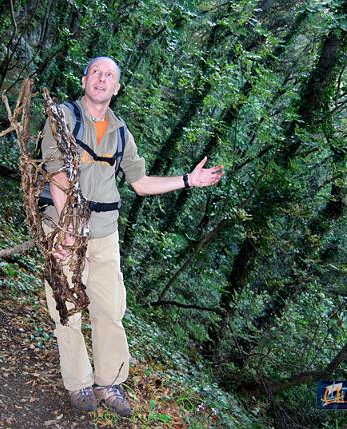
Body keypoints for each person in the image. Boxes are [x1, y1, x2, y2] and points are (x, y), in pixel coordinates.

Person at [40, 56, 224, 417]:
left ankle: (108, 382)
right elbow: (56, 173)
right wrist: (67, 231)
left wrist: (188, 180)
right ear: (84, 80)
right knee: (66, 310)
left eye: (110, 75)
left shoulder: (121, 132)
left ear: (117, 87)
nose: (102, 79)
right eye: (96, 72)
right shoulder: (62, 116)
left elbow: (140, 183)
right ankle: (79, 383)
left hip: (105, 234)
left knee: (110, 309)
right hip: (63, 228)